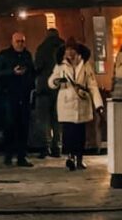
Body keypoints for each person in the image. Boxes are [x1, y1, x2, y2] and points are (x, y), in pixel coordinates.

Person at [49, 38, 103, 171]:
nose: (70, 53)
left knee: (80, 133)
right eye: (68, 50)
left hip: (81, 102)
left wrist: (98, 104)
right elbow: (51, 82)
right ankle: (70, 157)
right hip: (66, 102)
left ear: (77, 51)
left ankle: (79, 158)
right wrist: (56, 81)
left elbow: (92, 85)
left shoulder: (85, 65)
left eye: (72, 50)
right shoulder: (60, 65)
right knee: (68, 133)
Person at [0, 32, 35, 167]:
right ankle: (8, 155)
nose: (20, 44)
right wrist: (12, 72)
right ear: (12, 42)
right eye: (18, 41)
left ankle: (21, 156)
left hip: (24, 95)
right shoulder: (4, 55)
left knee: (23, 126)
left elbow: (32, 71)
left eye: (22, 41)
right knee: (10, 125)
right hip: (9, 94)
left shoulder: (27, 55)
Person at [34, 27, 65, 158]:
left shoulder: (42, 48)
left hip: (44, 88)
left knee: (43, 119)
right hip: (60, 88)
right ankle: (57, 147)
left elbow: (37, 66)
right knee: (57, 119)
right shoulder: (64, 48)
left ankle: (45, 147)